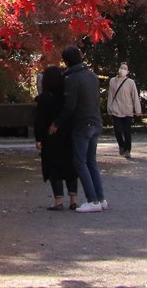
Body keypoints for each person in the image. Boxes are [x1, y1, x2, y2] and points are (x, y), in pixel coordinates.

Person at [48, 45, 106, 212]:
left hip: (82, 124)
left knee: (80, 162)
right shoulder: (92, 76)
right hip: (95, 121)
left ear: (66, 61)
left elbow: (70, 106)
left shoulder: (72, 79)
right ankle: (101, 199)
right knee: (91, 162)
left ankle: (92, 200)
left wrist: (57, 123)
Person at [33, 65, 80, 210]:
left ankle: (58, 201)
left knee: (54, 168)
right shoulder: (67, 96)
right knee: (70, 167)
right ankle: (73, 200)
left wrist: (38, 138)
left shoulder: (44, 98)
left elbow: (39, 120)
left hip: (51, 136)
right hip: (68, 135)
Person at [106, 61, 141, 159]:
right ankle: (121, 145)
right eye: (121, 68)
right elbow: (110, 95)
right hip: (116, 110)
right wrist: (109, 108)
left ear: (128, 71)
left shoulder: (130, 82)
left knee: (127, 132)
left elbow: (135, 97)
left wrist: (137, 110)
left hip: (127, 110)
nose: (123, 70)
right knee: (117, 131)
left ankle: (127, 150)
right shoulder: (113, 81)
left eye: (125, 68)